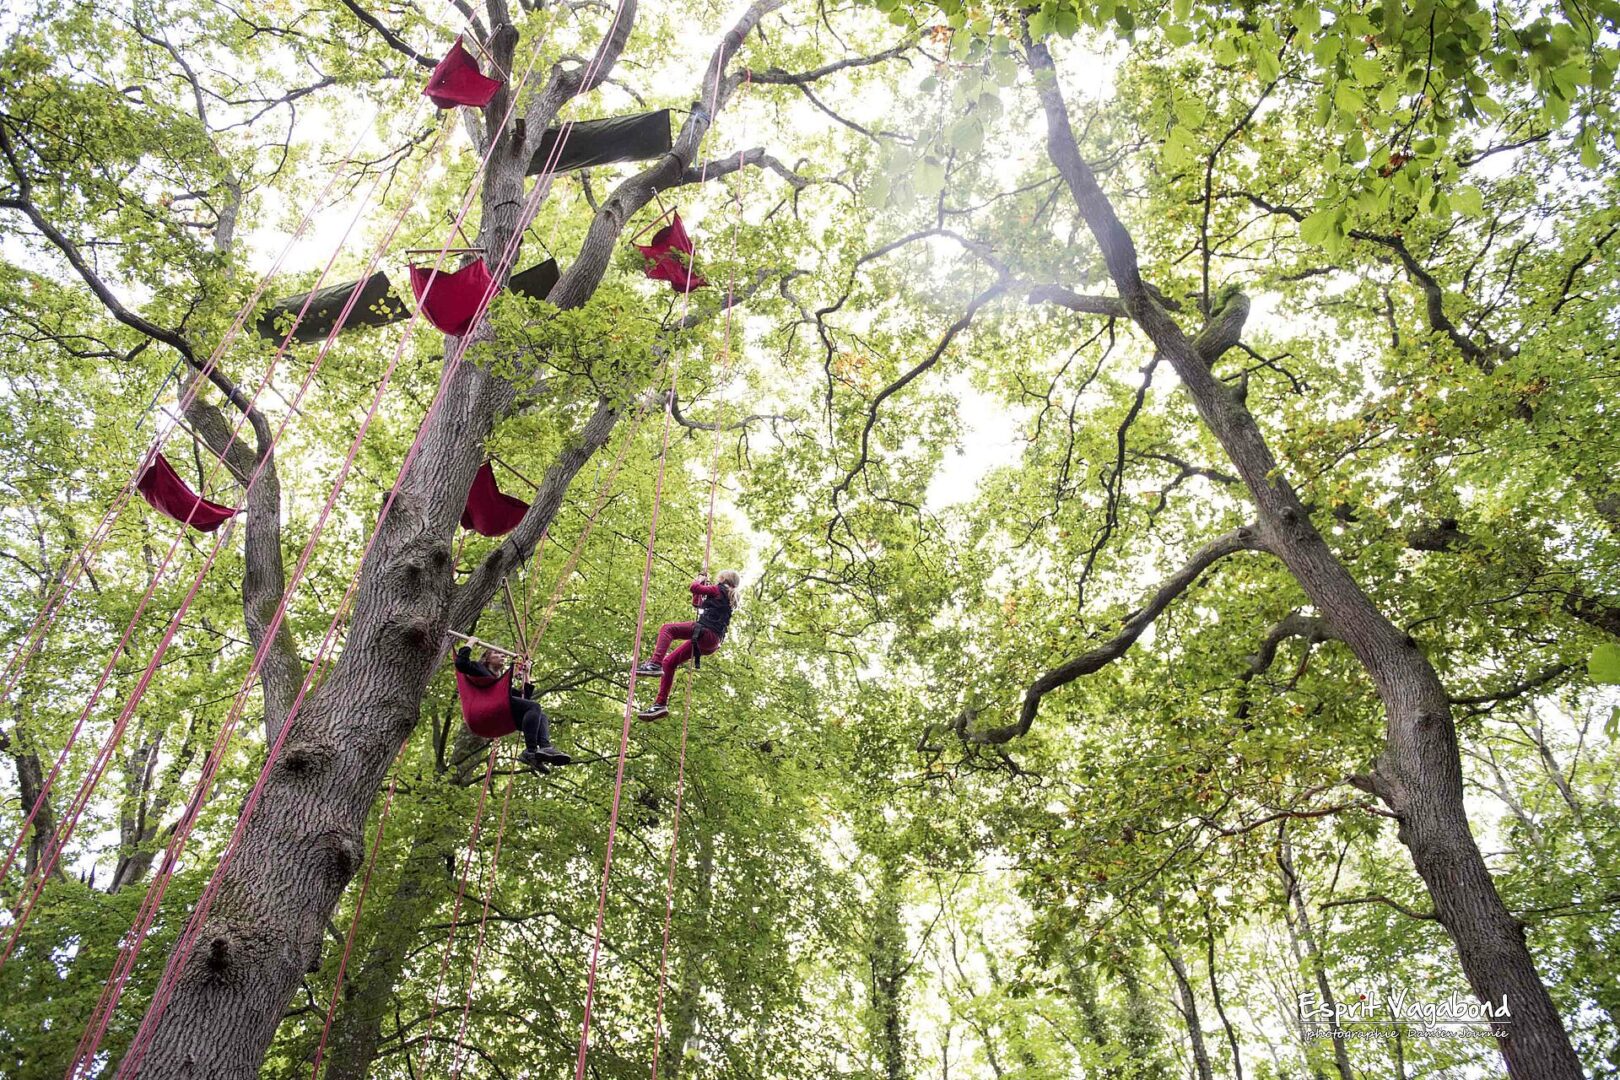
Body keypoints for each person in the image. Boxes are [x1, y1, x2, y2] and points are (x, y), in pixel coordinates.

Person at [635, 570, 740, 719]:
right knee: (669, 662)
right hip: (711, 642)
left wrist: (699, 579)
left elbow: (693, 588)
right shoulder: (726, 595)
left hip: (706, 633)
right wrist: (702, 586)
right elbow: (697, 603)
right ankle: (660, 704)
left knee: (668, 629)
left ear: (723, 579)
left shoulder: (718, 589)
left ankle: (654, 663)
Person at [455, 646, 572, 768]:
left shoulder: (499, 686)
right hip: (481, 711)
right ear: (487, 659)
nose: (503, 656)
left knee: (541, 716)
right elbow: (461, 663)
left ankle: (544, 747)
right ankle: (530, 751)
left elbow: (524, 699)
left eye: (503, 654)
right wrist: (470, 643)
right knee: (534, 706)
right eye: (497, 653)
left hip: (497, 714)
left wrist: (526, 674)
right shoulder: (479, 669)